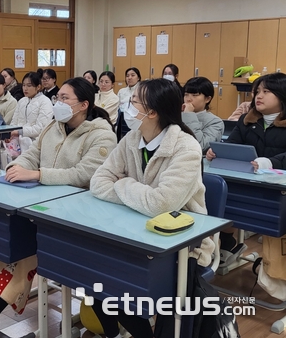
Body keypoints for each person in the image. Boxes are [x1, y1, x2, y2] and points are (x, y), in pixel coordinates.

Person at [0, 77, 117, 338]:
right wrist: (17, 166)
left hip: (70, 213)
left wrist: (36, 175)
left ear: (83, 105)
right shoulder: (54, 126)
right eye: (58, 98)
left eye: (65, 98)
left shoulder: (102, 134)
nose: (59, 102)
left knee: (22, 249)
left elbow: (85, 175)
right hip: (35, 202)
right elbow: (32, 153)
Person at [90, 78, 213, 338]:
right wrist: (135, 193)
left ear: (152, 112)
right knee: (95, 276)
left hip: (181, 244)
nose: (128, 106)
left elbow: (161, 204)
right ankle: (113, 331)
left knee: (120, 284)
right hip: (132, 228)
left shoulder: (186, 147)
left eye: (134, 101)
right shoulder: (131, 139)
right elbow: (98, 183)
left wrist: (124, 184)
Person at [206, 73, 286, 265]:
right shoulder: (246, 120)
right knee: (226, 200)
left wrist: (271, 162)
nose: (259, 96)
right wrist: (215, 152)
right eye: (257, 91)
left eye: (266, 91)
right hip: (249, 180)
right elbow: (233, 146)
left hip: (276, 188)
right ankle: (226, 244)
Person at [182, 77, 224, 153]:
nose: (188, 99)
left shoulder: (215, 122)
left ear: (207, 99)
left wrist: (189, 115)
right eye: (186, 94)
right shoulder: (178, 116)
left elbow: (201, 146)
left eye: (194, 95)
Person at [9, 71, 53, 144]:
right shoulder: (22, 101)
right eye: (23, 85)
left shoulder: (45, 101)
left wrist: (20, 132)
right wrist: (11, 133)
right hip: (18, 139)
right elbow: (14, 122)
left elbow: (41, 128)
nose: (25, 89)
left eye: (29, 86)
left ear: (38, 87)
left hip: (36, 141)